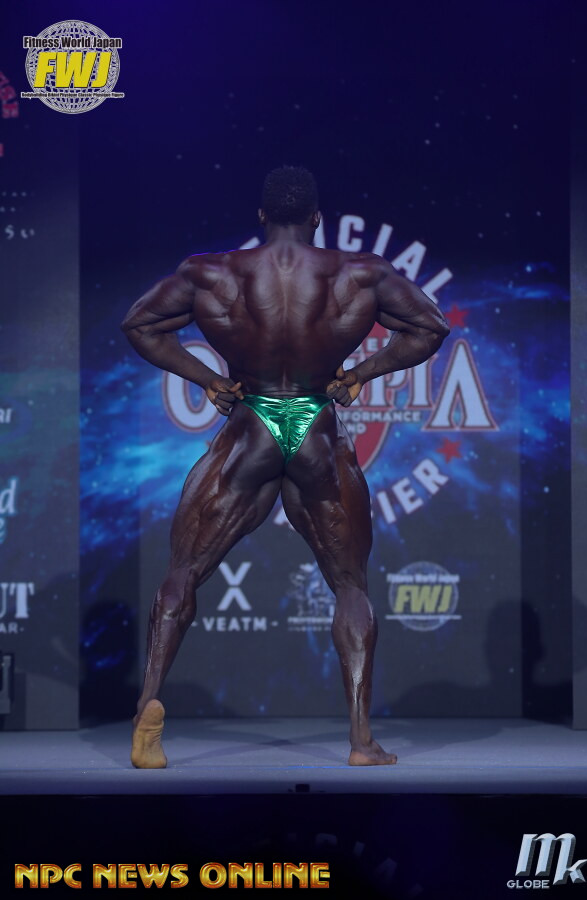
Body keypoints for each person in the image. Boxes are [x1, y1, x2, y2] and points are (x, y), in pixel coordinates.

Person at [121, 166, 450, 768]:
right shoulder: (361, 274)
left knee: (184, 572)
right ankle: (360, 741)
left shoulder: (211, 273)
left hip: (250, 424)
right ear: (317, 218)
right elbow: (431, 327)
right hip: (316, 427)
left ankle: (148, 707)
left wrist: (209, 380)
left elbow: (140, 324)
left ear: (261, 216)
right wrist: (360, 374)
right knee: (350, 586)